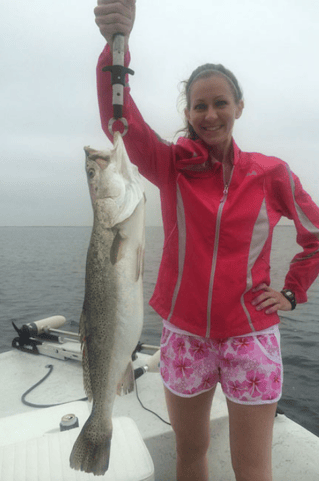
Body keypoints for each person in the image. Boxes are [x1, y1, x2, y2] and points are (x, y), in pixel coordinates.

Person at [94, 2, 319, 480]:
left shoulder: (272, 174)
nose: (211, 114)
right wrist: (115, 45)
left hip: (251, 337)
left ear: (239, 106)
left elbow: (316, 239)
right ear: (188, 112)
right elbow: (121, 121)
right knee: (190, 455)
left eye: (221, 103)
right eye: (200, 105)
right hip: (185, 337)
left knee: (252, 468)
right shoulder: (170, 165)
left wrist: (293, 293)